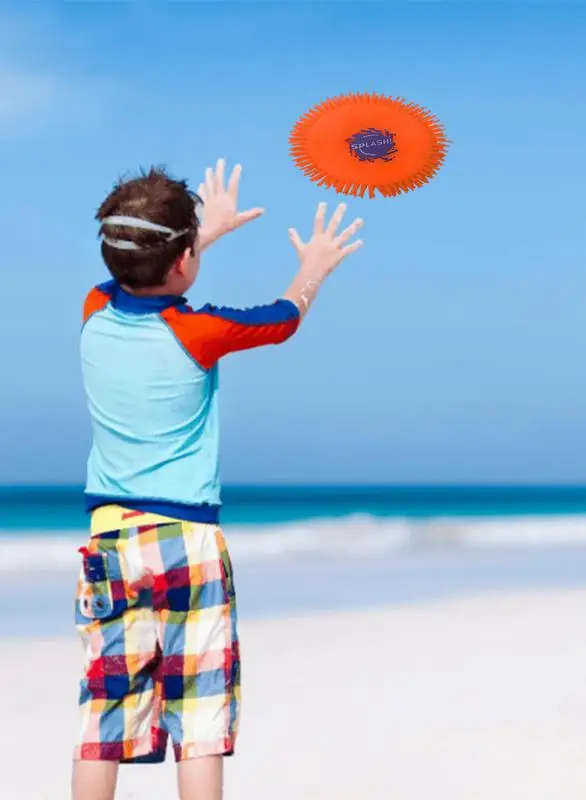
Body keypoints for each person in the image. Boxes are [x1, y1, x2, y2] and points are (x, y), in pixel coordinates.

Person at [73, 159, 364, 800]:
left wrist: (198, 237)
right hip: (186, 538)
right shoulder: (197, 333)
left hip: (109, 542)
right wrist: (314, 266)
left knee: (104, 713)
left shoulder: (94, 309)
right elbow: (283, 318)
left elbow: (136, 273)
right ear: (181, 262)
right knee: (199, 719)